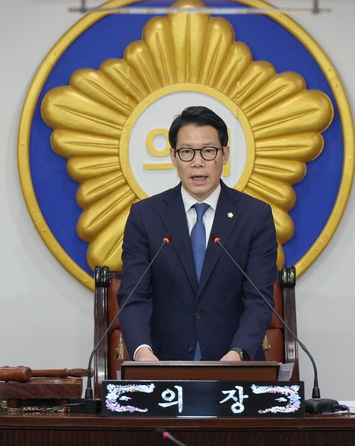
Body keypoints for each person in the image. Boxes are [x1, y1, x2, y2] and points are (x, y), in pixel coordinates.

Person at [117, 106, 278, 362]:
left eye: (208, 151)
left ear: (224, 155)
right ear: (173, 156)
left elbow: (259, 298)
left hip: (235, 365)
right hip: (163, 364)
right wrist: (143, 352)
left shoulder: (255, 215)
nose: (197, 162)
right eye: (187, 152)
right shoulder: (145, 216)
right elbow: (134, 296)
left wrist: (238, 353)